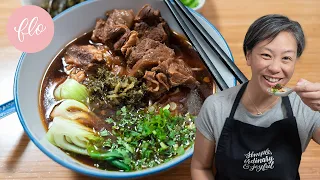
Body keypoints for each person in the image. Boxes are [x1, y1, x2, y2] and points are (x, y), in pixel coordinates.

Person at [190, 14, 320, 180]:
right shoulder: (216, 106)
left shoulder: (305, 106)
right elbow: (201, 167)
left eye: (286, 58)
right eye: (266, 55)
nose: (275, 68)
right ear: (248, 56)